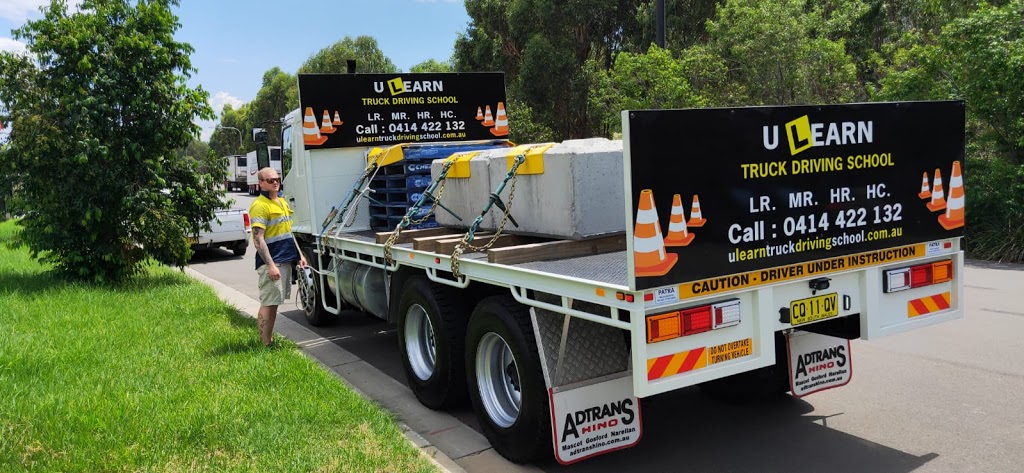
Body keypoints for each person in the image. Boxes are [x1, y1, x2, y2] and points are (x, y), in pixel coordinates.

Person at [249, 167, 306, 347]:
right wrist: (271, 265)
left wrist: (300, 255)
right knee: (268, 303)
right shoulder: (260, 205)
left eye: (277, 179)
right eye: (270, 180)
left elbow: (288, 232)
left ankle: (269, 341)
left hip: (285, 260)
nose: (275, 182)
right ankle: (265, 344)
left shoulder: (281, 201)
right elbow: (258, 239)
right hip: (273, 263)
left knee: (274, 304)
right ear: (261, 183)